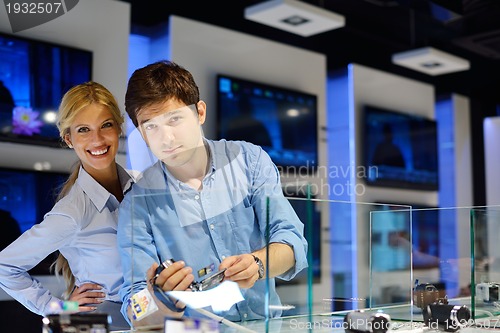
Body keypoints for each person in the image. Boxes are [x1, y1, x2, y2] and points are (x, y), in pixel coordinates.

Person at [117, 60, 308, 327]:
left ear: (200, 112)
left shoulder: (249, 160)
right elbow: (133, 307)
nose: (166, 139)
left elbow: (292, 242)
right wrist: (162, 299)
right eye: (151, 126)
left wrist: (258, 263)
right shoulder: (137, 204)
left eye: (175, 119)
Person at [0, 81, 134, 331]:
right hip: (103, 325)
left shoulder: (140, 187)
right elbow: (5, 265)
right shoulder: (72, 212)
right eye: (84, 129)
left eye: (106, 125)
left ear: (118, 128)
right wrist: (60, 308)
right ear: (69, 139)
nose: (97, 139)